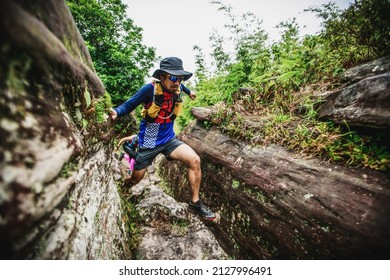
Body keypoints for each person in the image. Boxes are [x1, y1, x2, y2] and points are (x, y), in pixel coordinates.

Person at [110, 57, 215, 220]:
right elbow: (129, 104)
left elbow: (183, 86)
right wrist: (117, 111)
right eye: (173, 78)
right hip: (150, 138)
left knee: (195, 160)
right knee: (136, 178)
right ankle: (125, 187)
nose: (177, 82)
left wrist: (190, 92)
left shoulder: (177, 87)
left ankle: (195, 203)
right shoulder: (149, 90)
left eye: (180, 79)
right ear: (162, 77)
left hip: (168, 137)